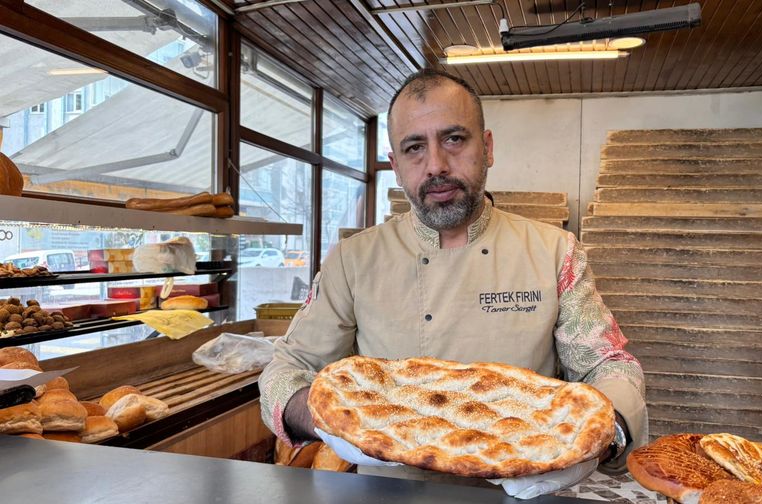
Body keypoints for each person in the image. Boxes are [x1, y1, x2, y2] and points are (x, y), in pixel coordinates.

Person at [259, 68, 647, 497]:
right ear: (395, 164)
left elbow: (609, 363)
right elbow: (285, 370)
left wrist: (605, 434)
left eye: (454, 139)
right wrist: (326, 421)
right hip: (391, 493)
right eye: (414, 148)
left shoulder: (556, 253)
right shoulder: (352, 261)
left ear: (488, 147)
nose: (437, 166)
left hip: (524, 485)